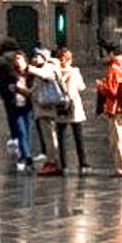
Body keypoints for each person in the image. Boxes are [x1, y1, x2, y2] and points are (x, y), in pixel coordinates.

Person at [38, 46, 88, 174]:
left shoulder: (55, 72)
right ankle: (83, 163)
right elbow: (81, 87)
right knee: (78, 136)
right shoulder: (74, 72)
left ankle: (63, 165)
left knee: (61, 137)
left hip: (60, 105)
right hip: (74, 106)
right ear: (70, 59)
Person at [0, 43, 37, 171]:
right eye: (16, 59)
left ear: (25, 61)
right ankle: (27, 157)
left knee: (27, 133)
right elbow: (3, 85)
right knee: (21, 131)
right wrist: (8, 92)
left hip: (27, 107)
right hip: (15, 107)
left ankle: (24, 155)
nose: (18, 61)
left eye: (20, 59)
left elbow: (34, 90)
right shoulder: (10, 74)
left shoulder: (31, 74)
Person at [98, 47, 122, 178]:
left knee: (118, 141)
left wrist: (101, 87)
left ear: (111, 54)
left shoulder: (114, 68)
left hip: (117, 109)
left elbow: (113, 91)